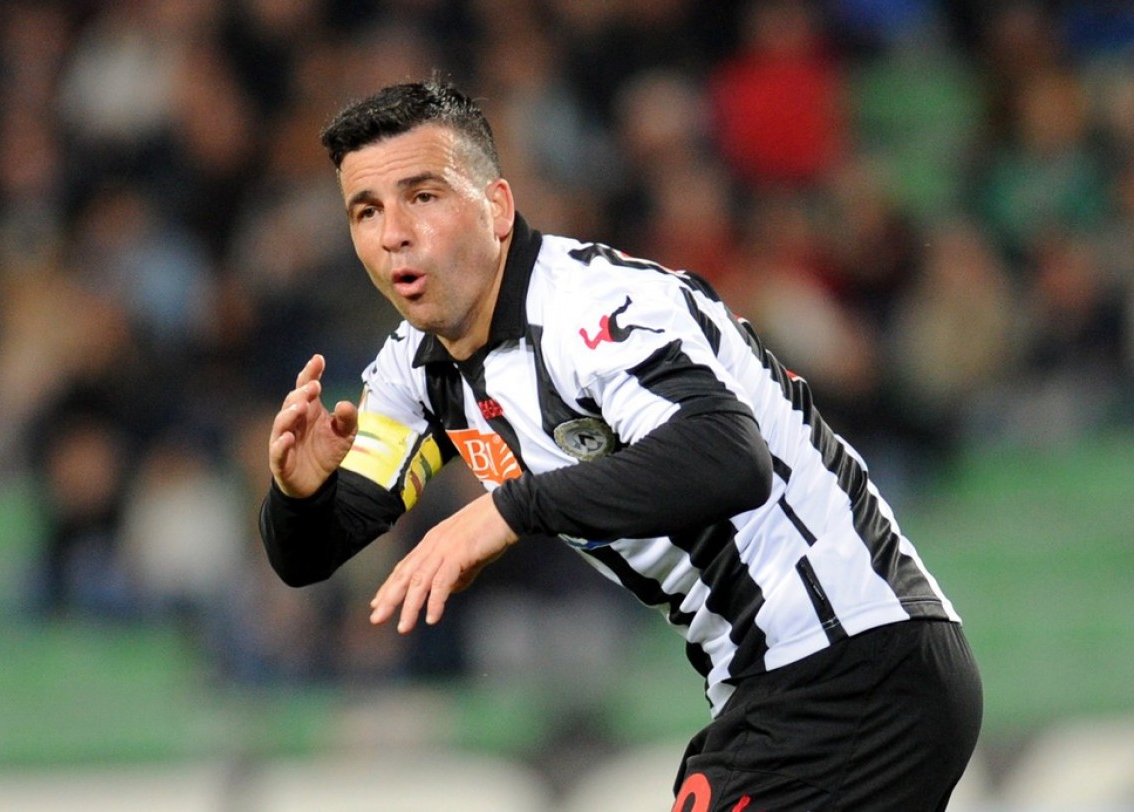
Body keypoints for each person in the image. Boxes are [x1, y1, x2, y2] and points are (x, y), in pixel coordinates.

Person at [260, 78, 983, 811]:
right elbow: (314, 550)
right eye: (367, 211)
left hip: (853, 660)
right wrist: (299, 493)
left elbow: (730, 458)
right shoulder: (412, 371)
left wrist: (510, 508)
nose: (394, 234)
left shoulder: (594, 309)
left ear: (497, 208)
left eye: (423, 196)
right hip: (777, 685)